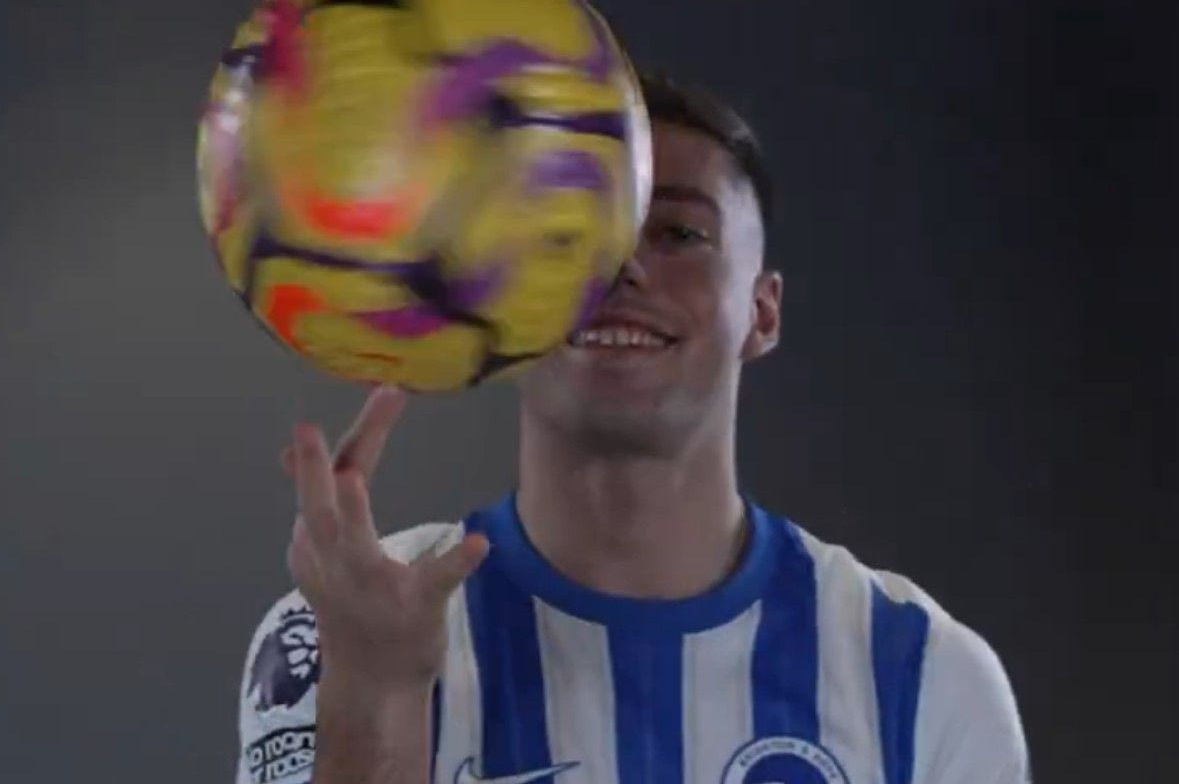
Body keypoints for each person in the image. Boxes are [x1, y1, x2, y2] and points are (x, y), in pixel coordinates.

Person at [236, 73, 1029, 784]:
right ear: (508, 298)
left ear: (762, 310)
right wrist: (374, 692)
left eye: (678, 233)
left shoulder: (923, 672)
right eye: (566, 234)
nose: (619, 265)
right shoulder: (338, 626)